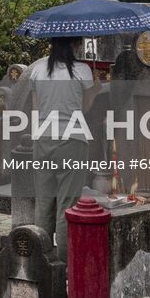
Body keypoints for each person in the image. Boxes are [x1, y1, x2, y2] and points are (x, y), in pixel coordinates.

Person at [27, 36, 99, 261]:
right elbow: (85, 108)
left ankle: (42, 261)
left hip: (42, 139)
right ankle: (66, 264)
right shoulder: (82, 70)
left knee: (44, 202)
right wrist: (95, 88)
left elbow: (35, 108)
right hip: (72, 141)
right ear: (73, 45)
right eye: (78, 44)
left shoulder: (38, 69)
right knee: (68, 204)